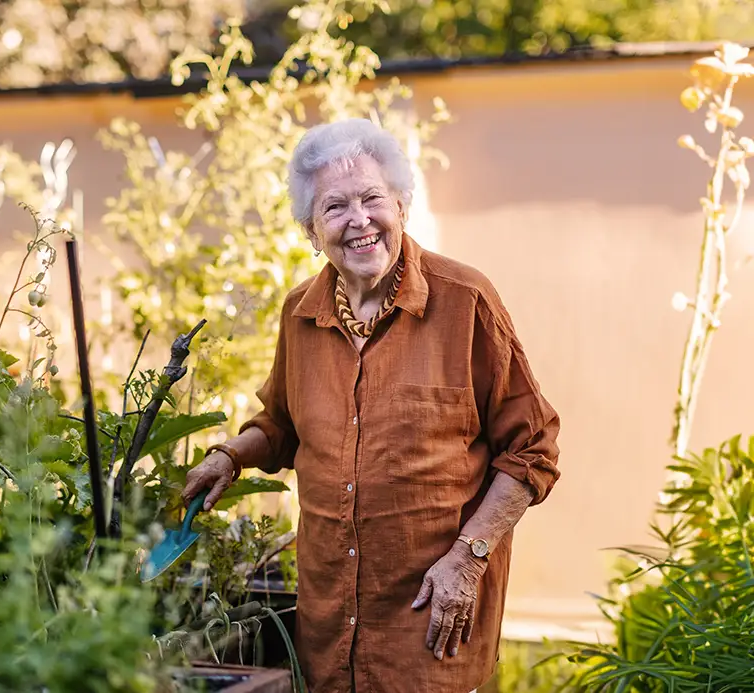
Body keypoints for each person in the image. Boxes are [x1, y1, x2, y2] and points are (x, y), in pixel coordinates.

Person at [180, 118, 561, 693]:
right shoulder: (300, 315)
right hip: (329, 624)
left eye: (371, 198)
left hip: (431, 621)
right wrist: (230, 457)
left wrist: (469, 556)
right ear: (312, 231)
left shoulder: (466, 302)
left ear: (401, 206)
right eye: (335, 207)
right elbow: (281, 424)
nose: (358, 220)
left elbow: (532, 447)